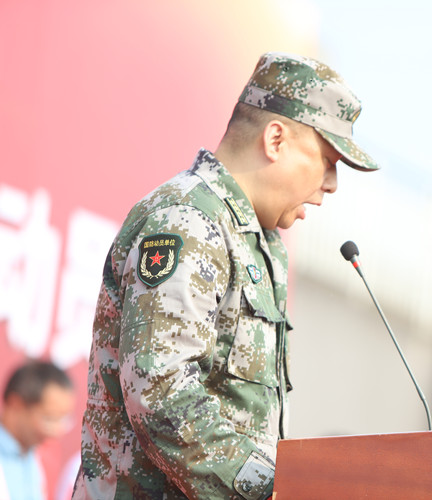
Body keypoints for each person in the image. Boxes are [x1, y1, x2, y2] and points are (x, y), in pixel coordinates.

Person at [71, 52, 378, 499]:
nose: (331, 184)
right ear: (276, 140)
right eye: (328, 160)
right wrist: (269, 490)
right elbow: (161, 391)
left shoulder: (258, 239)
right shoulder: (189, 220)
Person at [0, 360, 75, 500]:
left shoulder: (36, 457)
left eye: (63, 420)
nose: (56, 431)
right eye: (49, 419)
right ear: (16, 405)